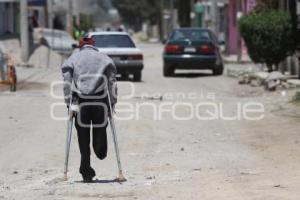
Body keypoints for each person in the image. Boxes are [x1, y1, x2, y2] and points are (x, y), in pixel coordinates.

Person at [61, 37, 117, 182]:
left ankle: (86, 170)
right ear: (94, 45)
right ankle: (100, 150)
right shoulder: (105, 59)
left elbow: (66, 81)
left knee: (83, 135)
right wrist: (113, 103)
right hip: (100, 101)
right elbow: (112, 82)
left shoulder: (73, 58)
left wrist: (68, 102)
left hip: (81, 102)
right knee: (100, 128)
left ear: (80, 46)